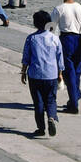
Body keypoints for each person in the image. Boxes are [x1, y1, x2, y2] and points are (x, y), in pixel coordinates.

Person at [21, 10, 64, 138]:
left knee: (38, 102)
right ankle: (51, 117)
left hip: (35, 74)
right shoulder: (55, 39)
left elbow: (26, 57)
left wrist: (23, 71)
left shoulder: (31, 38)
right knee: (51, 99)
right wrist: (60, 73)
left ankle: (40, 128)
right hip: (51, 74)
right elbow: (59, 58)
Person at [52, 0, 81, 114]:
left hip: (66, 40)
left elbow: (51, 28)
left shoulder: (59, 8)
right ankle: (75, 96)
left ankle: (74, 102)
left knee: (69, 72)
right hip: (79, 40)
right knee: (77, 71)